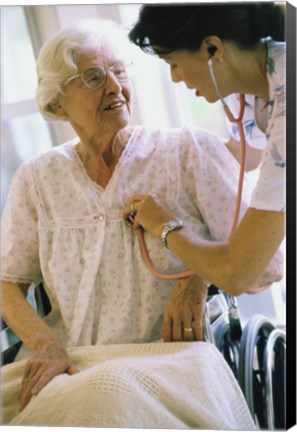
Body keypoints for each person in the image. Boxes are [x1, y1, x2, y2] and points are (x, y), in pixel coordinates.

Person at [1, 18, 281, 429]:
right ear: (58, 103)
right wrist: (46, 345)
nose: (114, 87)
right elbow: (7, 283)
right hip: (72, 360)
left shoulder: (187, 151)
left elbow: (265, 265)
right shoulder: (38, 178)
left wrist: (197, 280)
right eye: (94, 77)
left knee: (103, 398)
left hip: (169, 360)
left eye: (118, 71)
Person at [126, 3, 286, 295]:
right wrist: (173, 159)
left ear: (213, 49)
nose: (174, 78)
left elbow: (236, 274)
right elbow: (246, 155)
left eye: (173, 63)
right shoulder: (250, 88)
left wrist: (164, 225)